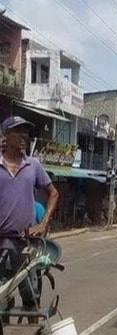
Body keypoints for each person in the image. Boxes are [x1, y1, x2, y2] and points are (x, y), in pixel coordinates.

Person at [0, 116, 59, 317]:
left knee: (31, 299)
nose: (24, 135)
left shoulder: (33, 165)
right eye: (18, 131)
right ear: (5, 135)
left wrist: (43, 222)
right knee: (2, 303)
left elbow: (53, 193)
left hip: (25, 244)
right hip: (0, 242)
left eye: (26, 131)